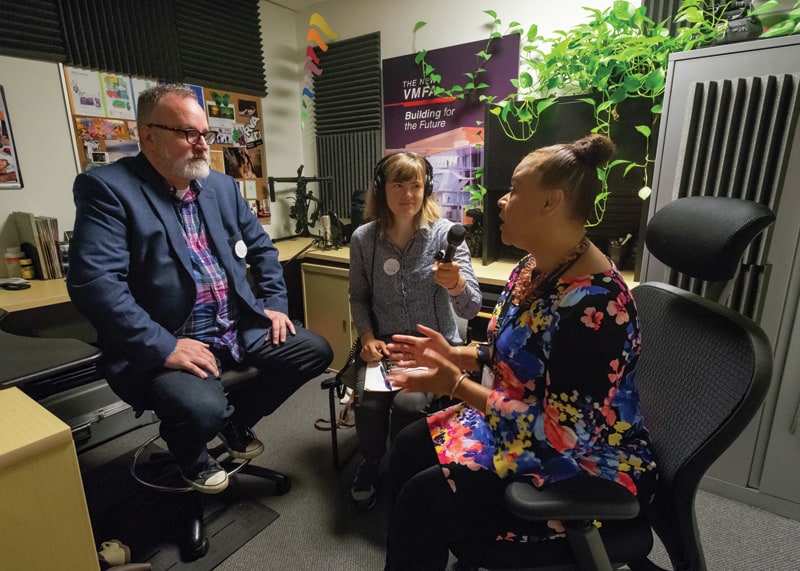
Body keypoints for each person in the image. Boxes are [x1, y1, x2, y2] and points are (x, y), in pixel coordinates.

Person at [382, 135, 658, 569]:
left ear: (551, 202)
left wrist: (456, 386)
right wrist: (459, 355)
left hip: (581, 464)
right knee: (408, 448)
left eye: (513, 190)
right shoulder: (535, 266)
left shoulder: (597, 307)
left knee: (424, 499)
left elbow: (563, 436)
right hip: (520, 423)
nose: (501, 201)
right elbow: (514, 351)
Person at [67, 84, 333, 494]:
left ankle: (233, 422)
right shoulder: (108, 189)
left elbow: (262, 249)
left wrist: (274, 304)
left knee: (314, 351)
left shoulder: (222, 188)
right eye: (188, 134)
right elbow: (95, 284)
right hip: (171, 339)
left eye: (205, 134)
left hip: (235, 325)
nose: (202, 145)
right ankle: (192, 449)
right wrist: (164, 346)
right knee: (202, 408)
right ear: (149, 135)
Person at [347, 151, 481, 510]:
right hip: (387, 346)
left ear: (428, 189)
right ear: (381, 189)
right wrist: (368, 338)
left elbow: (472, 308)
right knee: (369, 398)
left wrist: (456, 286)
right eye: (398, 184)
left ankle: (407, 471)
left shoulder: (445, 237)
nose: (408, 194)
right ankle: (373, 463)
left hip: (435, 347)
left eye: (416, 185)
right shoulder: (363, 240)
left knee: (408, 404)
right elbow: (358, 299)